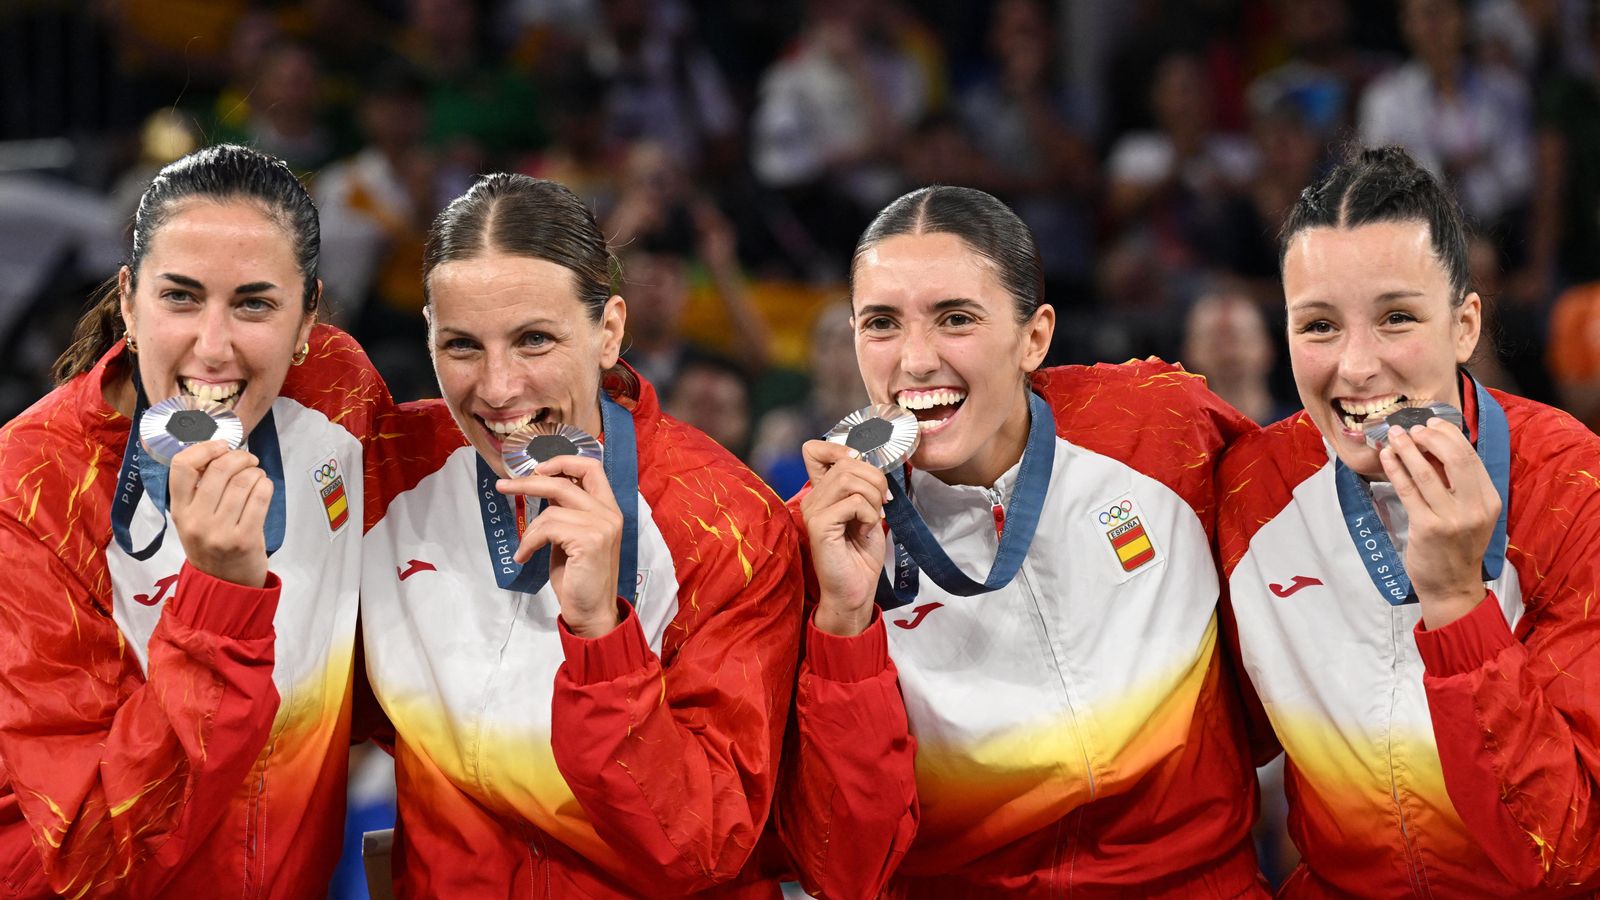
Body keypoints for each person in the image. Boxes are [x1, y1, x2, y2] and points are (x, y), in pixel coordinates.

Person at [778, 185, 1265, 898]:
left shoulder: (1159, 426)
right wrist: (844, 624)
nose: (914, 361)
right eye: (881, 323)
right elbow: (843, 871)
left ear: (1034, 337)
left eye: (955, 318)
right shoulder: (815, 540)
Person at [360, 174, 802, 897]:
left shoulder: (728, 521)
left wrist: (602, 638)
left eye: (534, 339)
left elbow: (704, 844)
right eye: (462, 345)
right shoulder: (393, 468)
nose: (498, 388)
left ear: (610, 331)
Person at [0, 144, 389, 896]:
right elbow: (87, 856)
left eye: (254, 303)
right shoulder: (32, 489)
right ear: (128, 301)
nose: (214, 348)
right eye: (180, 297)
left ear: (309, 313)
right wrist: (219, 595)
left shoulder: (339, 390)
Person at [1217, 145, 1600, 896]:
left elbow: (1565, 856)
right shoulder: (1250, 490)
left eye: (1396, 318)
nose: (1356, 367)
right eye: (1319, 326)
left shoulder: (1573, 488)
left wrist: (1459, 603)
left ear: (1464, 327)